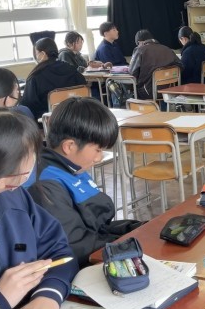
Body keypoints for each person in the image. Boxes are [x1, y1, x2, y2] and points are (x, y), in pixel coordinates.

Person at [0, 108, 78, 309]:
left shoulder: (13, 199)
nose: (35, 160)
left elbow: (58, 252)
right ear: (0, 178)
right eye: (30, 155)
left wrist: (48, 294)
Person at [28, 97, 143, 267]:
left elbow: (97, 226)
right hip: (81, 266)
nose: (100, 157)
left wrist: (136, 229)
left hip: (94, 247)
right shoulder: (47, 185)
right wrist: (128, 244)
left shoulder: (70, 166)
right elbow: (77, 246)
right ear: (69, 146)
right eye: (98, 149)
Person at [21, 38, 87, 120]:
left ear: (42, 54)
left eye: (36, 53)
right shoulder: (71, 69)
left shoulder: (36, 76)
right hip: (77, 118)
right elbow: (84, 89)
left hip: (51, 121)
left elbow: (28, 105)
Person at [129, 29, 180, 99]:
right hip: (169, 90)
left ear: (139, 42)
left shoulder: (140, 51)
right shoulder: (167, 49)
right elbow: (180, 66)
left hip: (148, 92)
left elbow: (132, 72)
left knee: (130, 90)